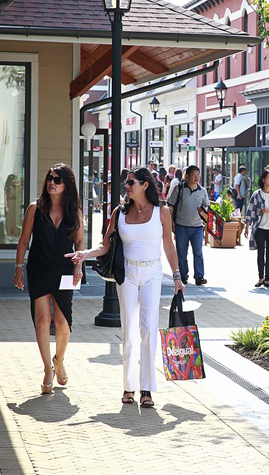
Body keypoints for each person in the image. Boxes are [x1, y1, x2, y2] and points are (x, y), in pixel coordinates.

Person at [67, 167, 184, 408]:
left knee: (149, 329)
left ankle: (147, 390)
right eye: (127, 183)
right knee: (130, 331)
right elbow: (105, 245)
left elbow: (169, 247)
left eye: (131, 183)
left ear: (145, 185)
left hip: (152, 272)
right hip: (127, 273)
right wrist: (83, 254)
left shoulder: (162, 212)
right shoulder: (119, 213)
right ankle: (129, 387)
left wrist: (177, 276)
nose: (127, 186)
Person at [14, 164, 84, 395]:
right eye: (49, 178)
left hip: (64, 270)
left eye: (57, 179)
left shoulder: (74, 211)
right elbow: (24, 241)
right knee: (42, 320)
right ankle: (46, 369)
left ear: (67, 185)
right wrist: (18, 267)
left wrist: (78, 267)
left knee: (63, 323)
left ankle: (59, 360)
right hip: (38, 269)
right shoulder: (36, 208)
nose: (51, 182)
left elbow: (80, 243)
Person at [167, 165, 210, 285]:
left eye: (198, 175)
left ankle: (199, 276)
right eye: (194, 175)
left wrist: (203, 211)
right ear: (188, 176)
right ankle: (183, 276)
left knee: (198, 253)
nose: (196, 177)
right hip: (181, 226)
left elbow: (207, 208)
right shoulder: (179, 188)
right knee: (181, 252)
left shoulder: (203, 191)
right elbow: (170, 206)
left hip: (197, 227)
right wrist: (171, 222)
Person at [244, 169, 269, 288]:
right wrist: (246, 228)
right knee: (260, 253)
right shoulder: (257, 194)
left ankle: (267, 280)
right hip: (259, 229)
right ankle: (260, 278)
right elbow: (250, 211)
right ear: (263, 179)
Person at [4, 174, 22, 239]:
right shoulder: (8, 187)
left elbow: (20, 190)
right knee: (9, 219)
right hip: (9, 203)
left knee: (15, 218)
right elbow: (5, 197)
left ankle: (14, 232)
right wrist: (6, 206)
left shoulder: (16, 186)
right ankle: (9, 233)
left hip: (15, 203)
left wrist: (18, 184)